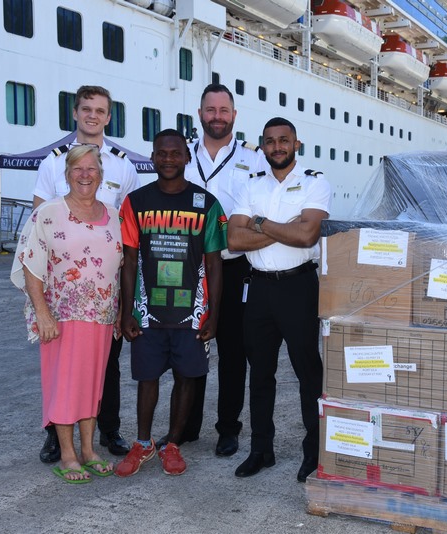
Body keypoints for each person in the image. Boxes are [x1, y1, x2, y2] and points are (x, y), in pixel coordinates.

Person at [33, 85, 139, 463]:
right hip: (64, 289)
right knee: (61, 364)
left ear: (109, 117)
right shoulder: (52, 162)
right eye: (86, 109)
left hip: (106, 288)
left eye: (100, 110)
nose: (93, 116)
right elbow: (38, 227)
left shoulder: (123, 166)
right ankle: (54, 435)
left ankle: (108, 429)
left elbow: (128, 226)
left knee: (106, 362)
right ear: (75, 113)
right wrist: (41, 301)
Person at [115, 129, 225, 477]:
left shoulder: (206, 204)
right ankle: (143, 443)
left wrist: (214, 316)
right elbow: (129, 260)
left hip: (191, 313)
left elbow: (215, 264)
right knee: (146, 378)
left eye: (175, 153)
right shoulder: (135, 202)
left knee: (186, 377)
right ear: (152, 157)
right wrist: (128, 310)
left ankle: (173, 443)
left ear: (186, 157)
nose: (168, 159)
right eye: (161, 153)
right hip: (149, 312)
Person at [227, 117, 331, 483]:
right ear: (263, 145)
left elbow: (306, 237)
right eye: (269, 141)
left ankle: (313, 453)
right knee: (260, 373)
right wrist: (283, 227)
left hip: (298, 288)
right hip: (258, 289)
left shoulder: (315, 181)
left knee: (308, 371)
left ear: (296, 144)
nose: (277, 147)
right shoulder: (249, 183)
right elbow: (234, 240)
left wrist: (259, 224)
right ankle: (261, 450)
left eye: (283, 140)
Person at [11, 145, 123, 483]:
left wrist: (119, 312)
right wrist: (42, 314)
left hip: (102, 317)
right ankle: (68, 454)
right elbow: (31, 264)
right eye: (78, 169)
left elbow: (120, 268)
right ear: (67, 174)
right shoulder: (49, 213)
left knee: (92, 386)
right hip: (60, 317)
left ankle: (88, 450)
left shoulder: (114, 216)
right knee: (63, 385)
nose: (85, 174)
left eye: (91, 169)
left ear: (101, 175)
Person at [179, 83, 265, 457]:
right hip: (186, 266)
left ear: (234, 115)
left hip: (234, 267)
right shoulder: (181, 154)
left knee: (233, 351)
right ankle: (186, 425)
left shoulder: (255, 158)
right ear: (200, 114)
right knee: (188, 347)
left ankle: (228, 427)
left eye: (223, 110)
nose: (217, 116)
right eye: (210, 110)